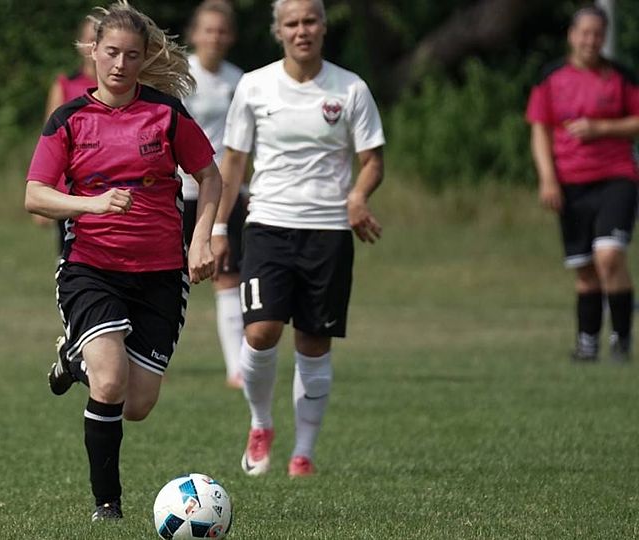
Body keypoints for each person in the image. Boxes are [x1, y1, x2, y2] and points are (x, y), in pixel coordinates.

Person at [24, 0, 223, 521]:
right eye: (111, 52)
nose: (120, 64)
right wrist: (91, 204)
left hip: (160, 273)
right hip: (91, 267)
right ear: (93, 51)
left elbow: (210, 176)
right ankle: (106, 504)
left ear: (144, 57)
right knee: (110, 382)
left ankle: (74, 360)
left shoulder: (166, 114)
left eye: (131, 55)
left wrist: (201, 239)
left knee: (136, 405)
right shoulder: (69, 119)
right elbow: (35, 195)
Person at [213, 0, 385, 478]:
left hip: (328, 232)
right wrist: (220, 227)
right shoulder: (254, 86)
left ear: (324, 27)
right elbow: (233, 162)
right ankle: (260, 423)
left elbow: (373, 160)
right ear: (279, 31)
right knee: (260, 331)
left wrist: (358, 196)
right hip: (267, 224)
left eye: (310, 21)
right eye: (292, 23)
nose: (302, 30)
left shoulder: (351, 88)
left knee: (313, 342)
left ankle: (303, 453)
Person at [526, 6, 639, 363]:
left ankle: (621, 340)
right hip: (571, 183)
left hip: (617, 177)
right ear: (572, 36)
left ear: (604, 38)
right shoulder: (551, 78)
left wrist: (600, 128)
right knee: (585, 267)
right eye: (585, 33)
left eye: (598, 34)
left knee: (609, 256)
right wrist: (547, 178)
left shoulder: (620, 77)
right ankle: (586, 345)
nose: (591, 41)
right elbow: (540, 129)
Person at [181, 0, 246, 389]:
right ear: (194, 34)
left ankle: (237, 369)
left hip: (224, 192)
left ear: (231, 36)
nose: (215, 37)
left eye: (222, 30)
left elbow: (245, 146)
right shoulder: (180, 77)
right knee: (168, 277)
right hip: (183, 190)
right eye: (208, 29)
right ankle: (149, 357)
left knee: (227, 274)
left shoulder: (241, 81)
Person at [32, 18, 99, 253]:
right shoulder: (66, 85)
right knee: (71, 252)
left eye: (100, 40)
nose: (94, 47)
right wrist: (46, 190)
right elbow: (50, 145)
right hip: (72, 189)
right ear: (79, 44)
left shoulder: (125, 89)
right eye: (90, 40)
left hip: (111, 186)